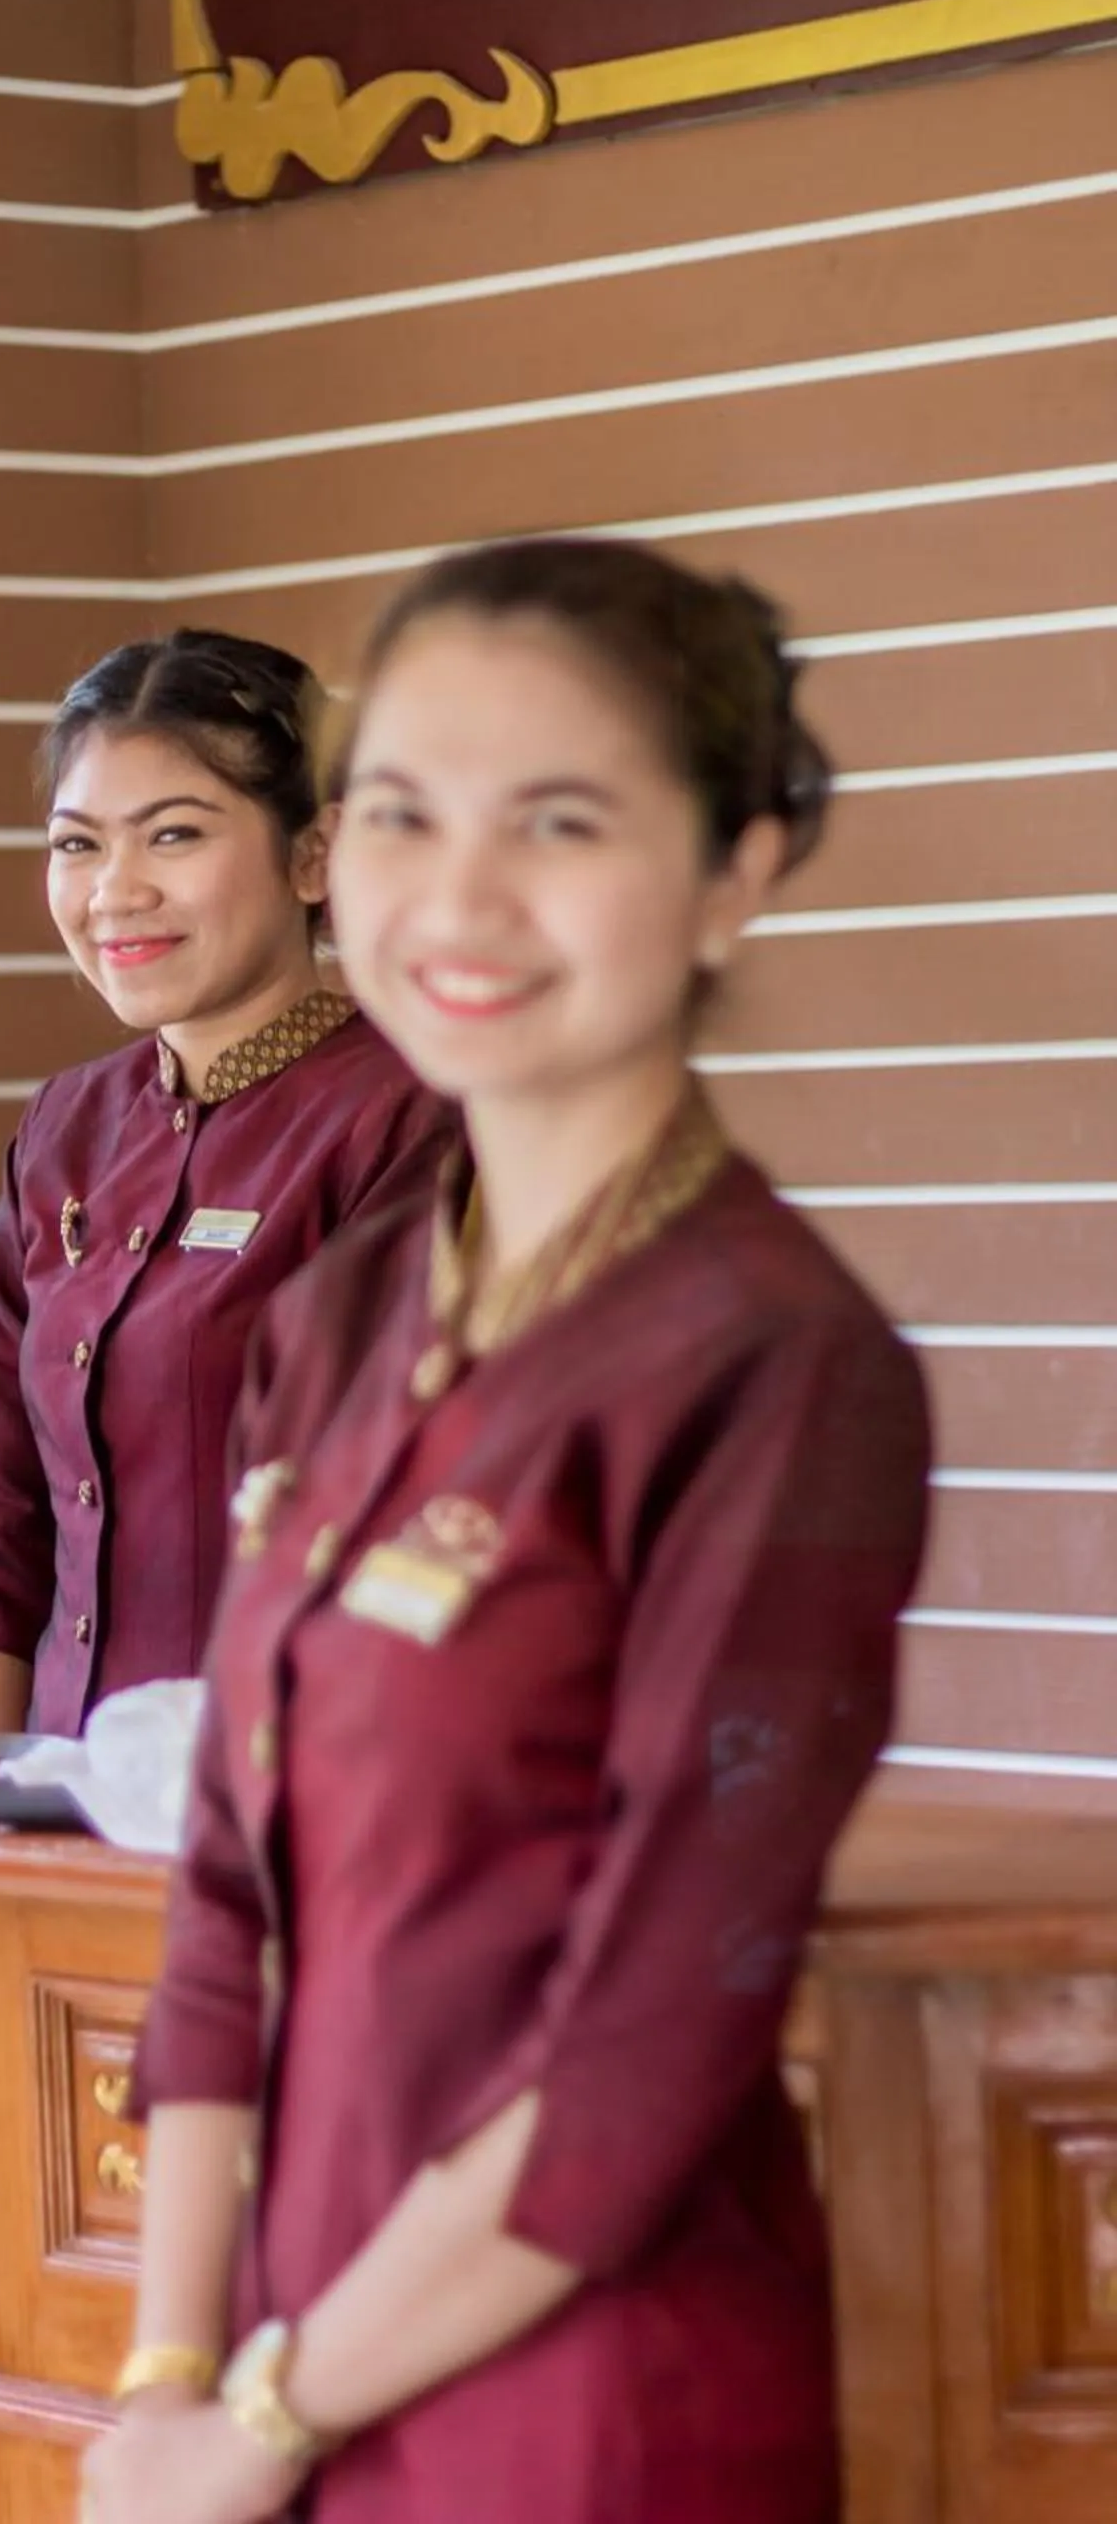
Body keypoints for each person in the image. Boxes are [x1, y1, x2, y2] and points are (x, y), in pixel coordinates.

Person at [86, 540, 933, 2524]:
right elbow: (223, 1892)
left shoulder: (776, 1366)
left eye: (556, 823)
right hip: (283, 2387)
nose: (454, 900)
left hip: (590, 2425)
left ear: (733, 869)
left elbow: (645, 2045)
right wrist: (163, 2377)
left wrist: (257, 2427)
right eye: (398, 814)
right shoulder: (348, 1309)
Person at [0, 629, 457, 1740]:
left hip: (295, 1813)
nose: (115, 892)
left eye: (171, 835)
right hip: (54, 1802)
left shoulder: (409, 1123)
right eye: (76, 845)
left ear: (314, 856)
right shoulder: (64, 1130)